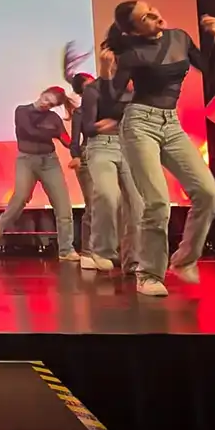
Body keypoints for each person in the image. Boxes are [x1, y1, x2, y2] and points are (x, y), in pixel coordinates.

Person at [99, 1, 215, 297]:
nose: (156, 15)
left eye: (152, 8)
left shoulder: (179, 37)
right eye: (146, 16)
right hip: (139, 125)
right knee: (157, 202)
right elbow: (110, 100)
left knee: (209, 194)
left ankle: (184, 260)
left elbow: (209, 69)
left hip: (171, 124)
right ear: (134, 30)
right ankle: (149, 274)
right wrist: (105, 71)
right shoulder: (131, 54)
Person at [73, 45, 143, 274]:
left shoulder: (134, 88)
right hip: (101, 147)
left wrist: (116, 121)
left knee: (137, 205)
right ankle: (102, 249)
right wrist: (108, 123)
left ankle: (132, 260)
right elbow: (89, 127)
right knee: (108, 195)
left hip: (129, 147)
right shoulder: (93, 90)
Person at [0, 88, 81, 262]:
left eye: (51, 104)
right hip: (26, 160)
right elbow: (28, 132)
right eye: (46, 99)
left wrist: (76, 149)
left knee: (63, 205)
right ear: (42, 94)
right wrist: (52, 132)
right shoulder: (22, 111)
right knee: (21, 196)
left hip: (49, 161)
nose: (45, 104)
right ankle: (1, 224)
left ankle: (66, 249)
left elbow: (64, 138)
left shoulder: (53, 118)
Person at [63, 42, 95, 258]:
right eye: (91, 85)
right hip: (87, 158)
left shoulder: (105, 107)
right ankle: (88, 251)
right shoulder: (81, 113)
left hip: (110, 155)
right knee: (93, 205)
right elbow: (75, 141)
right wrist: (76, 156)